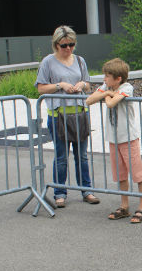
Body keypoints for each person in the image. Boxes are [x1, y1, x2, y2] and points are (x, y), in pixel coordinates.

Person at [35, 25, 99, 208]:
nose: (68, 48)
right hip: (58, 115)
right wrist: (60, 85)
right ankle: (59, 192)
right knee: (61, 156)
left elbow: (88, 83)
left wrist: (81, 85)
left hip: (79, 114)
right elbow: (40, 88)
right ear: (56, 45)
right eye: (64, 45)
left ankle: (86, 190)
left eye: (71, 44)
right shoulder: (48, 62)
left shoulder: (80, 60)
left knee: (82, 156)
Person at [86, 58, 142, 224]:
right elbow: (89, 100)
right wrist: (106, 92)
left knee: (137, 173)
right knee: (120, 174)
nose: (104, 79)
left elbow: (112, 104)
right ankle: (124, 205)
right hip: (113, 139)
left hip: (128, 138)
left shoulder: (127, 87)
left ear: (118, 78)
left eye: (107, 76)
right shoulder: (108, 88)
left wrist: (106, 95)